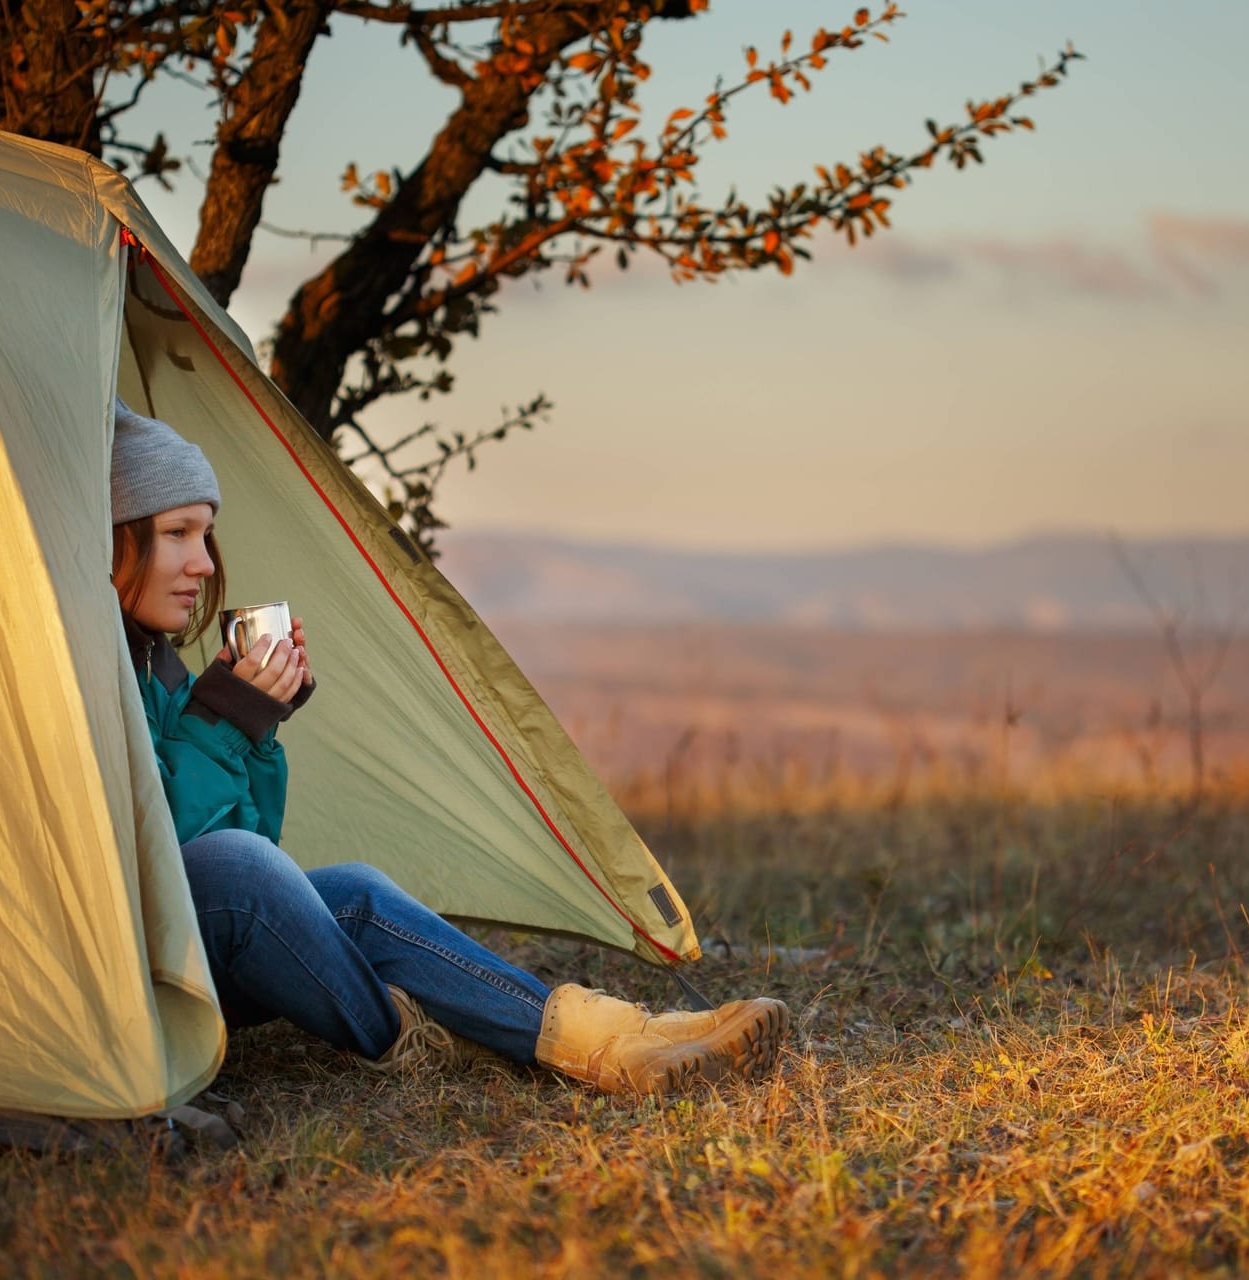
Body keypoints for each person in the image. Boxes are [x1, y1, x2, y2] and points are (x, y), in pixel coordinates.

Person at [108, 400, 787, 1094]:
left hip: (185, 939)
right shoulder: (79, 665)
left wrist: (248, 723)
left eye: (206, 534)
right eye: (177, 533)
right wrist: (224, 719)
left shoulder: (154, 665)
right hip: (120, 969)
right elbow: (173, 859)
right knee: (246, 871)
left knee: (356, 891)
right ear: (110, 538)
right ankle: (421, 1038)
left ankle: (612, 1035)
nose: (201, 562)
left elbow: (234, 845)